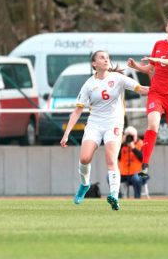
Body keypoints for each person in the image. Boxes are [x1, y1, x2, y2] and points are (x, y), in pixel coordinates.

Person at [60, 50, 149, 211]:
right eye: (102, 57)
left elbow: (141, 89)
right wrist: (66, 134)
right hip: (94, 124)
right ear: (94, 64)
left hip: (113, 123)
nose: (106, 59)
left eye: (107, 57)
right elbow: (78, 110)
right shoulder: (88, 84)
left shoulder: (118, 79)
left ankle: (114, 195)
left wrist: (162, 90)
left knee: (111, 158)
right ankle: (85, 184)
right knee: (85, 158)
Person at [127, 16, 168, 194]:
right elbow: (151, 68)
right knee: (153, 124)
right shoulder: (158, 44)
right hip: (156, 92)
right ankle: (145, 165)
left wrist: (158, 59)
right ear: (166, 28)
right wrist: (136, 67)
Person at [118, 126, 148, 199]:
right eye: (128, 136)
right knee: (110, 177)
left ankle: (137, 198)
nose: (130, 138)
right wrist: (121, 144)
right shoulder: (122, 145)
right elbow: (117, 157)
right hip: (124, 173)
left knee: (136, 178)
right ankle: (118, 197)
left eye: (132, 136)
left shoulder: (141, 143)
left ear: (136, 135)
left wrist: (133, 148)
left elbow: (143, 158)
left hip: (139, 173)